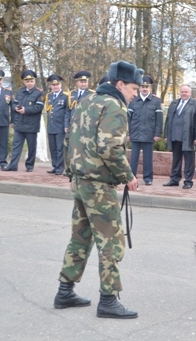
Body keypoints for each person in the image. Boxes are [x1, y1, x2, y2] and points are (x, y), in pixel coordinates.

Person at [54, 60, 142, 319]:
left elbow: (69, 139)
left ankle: (65, 291)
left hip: (81, 182)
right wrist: (128, 176)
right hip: (99, 186)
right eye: (133, 88)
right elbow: (110, 148)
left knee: (80, 237)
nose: (135, 93)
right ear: (120, 84)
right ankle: (108, 299)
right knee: (111, 242)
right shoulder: (114, 105)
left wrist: (71, 173)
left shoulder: (86, 101)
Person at [2, 70, 45, 172]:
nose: (29, 83)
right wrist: (15, 108)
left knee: (31, 147)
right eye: (27, 81)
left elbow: (39, 107)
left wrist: (25, 110)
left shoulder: (39, 93)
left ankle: (29, 166)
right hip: (19, 124)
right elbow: (14, 103)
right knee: (16, 146)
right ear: (24, 82)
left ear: (34, 81)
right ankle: (13, 165)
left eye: (31, 81)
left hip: (32, 125)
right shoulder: (20, 91)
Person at [163, 84, 196, 189]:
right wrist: (167, 134)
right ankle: (174, 179)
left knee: (189, 160)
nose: (184, 93)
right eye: (182, 92)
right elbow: (168, 120)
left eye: (186, 92)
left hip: (189, 137)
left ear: (190, 93)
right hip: (175, 137)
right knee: (176, 159)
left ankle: (188, 181)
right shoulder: (174, 103)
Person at [128, 75, 163, 185]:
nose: (144, 89)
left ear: (150, 88)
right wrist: (128, 133)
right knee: (133, 158)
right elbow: (128, 119)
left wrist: (157, 133)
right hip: (135, 133)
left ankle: (148, 178)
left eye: (146, 87)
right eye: (142, 86)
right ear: (139, 87)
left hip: (149, 133)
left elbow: (159, 119)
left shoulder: (156, 101)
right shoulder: (133, 101)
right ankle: (132, 177)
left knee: (148, 158)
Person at [45, 74, 70, 175]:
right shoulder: (49, 96)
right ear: (50, 86)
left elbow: (67, 112)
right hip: (51, 126)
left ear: (61, 85)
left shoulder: (65, 96)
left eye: (57, 85)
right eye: (53, 85)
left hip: (60, 126)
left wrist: (66, 125)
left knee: (60, 148)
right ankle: (55, 165)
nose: (55, 87)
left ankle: (60, 167)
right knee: (53, 147)